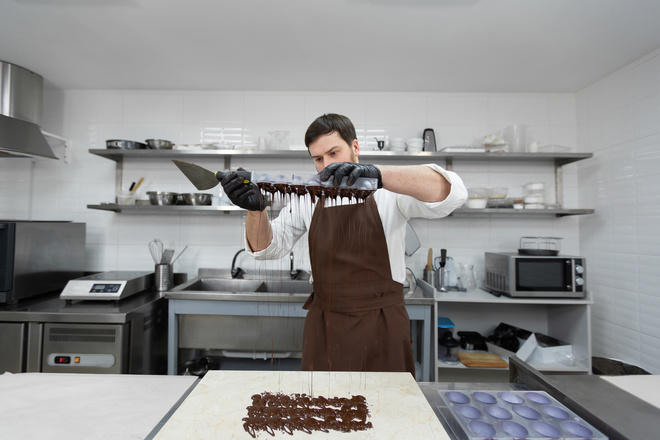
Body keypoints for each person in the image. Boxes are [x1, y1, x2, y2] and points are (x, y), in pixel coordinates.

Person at [221, 113, 467, 377]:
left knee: (387, 409)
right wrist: (255, 210)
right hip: (326, 323)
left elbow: (453, 193)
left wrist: (379, 176)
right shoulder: (307, 199)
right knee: (322, 412)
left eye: (334, 153)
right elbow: (266, 249)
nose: (326, 166)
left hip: (381, 323)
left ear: (355, 148)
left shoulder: (390, 192)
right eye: (318, 159)